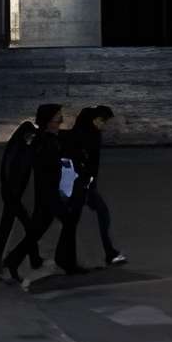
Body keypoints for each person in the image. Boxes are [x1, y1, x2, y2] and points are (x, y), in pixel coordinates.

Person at [0, 103, 60, 284]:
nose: (60, 122)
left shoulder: (35, 137)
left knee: (26, 226)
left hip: (17, 191)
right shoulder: (32, 137)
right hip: (19, 192)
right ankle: (5, 264)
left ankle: (15, 262)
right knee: (26, 226)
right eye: (57, 118)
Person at [55, 104, 127, 272]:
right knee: (82, 220)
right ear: (92, 119)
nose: (103, 124)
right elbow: (76, 162)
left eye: (105, 121)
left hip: (81, 185)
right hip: (78, 186)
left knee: (83, 220)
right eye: (101, 120)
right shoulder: (86, 136)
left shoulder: (90, 134)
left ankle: (103, 253)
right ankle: (100, 254)